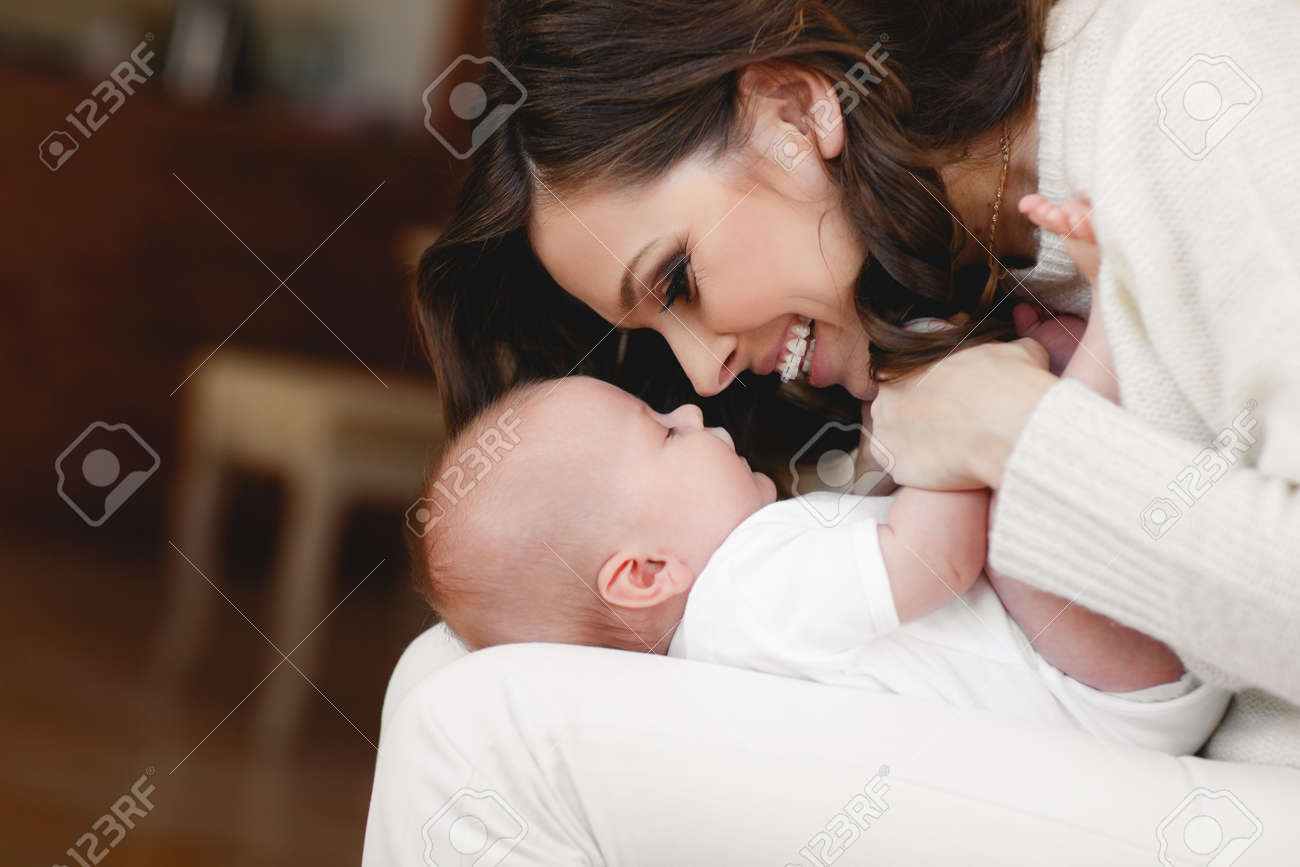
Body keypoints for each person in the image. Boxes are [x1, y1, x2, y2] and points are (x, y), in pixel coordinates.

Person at [416, 0, 1300, 766]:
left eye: (678, 277)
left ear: (793, 114)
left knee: (459, 721)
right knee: (444, 678)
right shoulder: (940, 289)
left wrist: (1016, 434)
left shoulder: (1195, 93)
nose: (701, 375)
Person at [413, 375, 1228, 755]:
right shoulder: (744, 595)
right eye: (663, 430)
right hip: (1101, 688)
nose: (693, 411)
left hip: (1106, 685)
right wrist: (947, 419)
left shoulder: (732, 629)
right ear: (646, 571)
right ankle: (1113, 321)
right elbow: (934, 560)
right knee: (1011, 473)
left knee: (1006, 447)